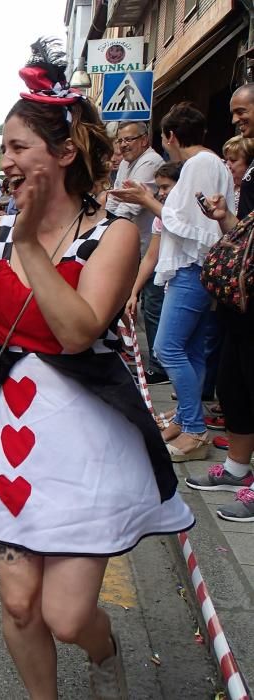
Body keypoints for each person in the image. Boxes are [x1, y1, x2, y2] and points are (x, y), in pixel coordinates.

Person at [0, 39, 193, 698]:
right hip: (6, 434)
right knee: (20, 606)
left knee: (67, 615)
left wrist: (24, 247)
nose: (6, 160)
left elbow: (78, 331)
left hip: (82, 438)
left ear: (64, 152)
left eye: (19, 146)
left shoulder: (115, 233)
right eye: (5, 149)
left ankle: (105, 662)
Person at [112, 103, 234, 461]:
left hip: (192, 268)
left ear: (170, 137)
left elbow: (187, 223)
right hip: (194, 268)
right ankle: (186, 419)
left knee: (167, 349)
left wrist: (145, 199)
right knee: (191, 351)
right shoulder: (211, 163)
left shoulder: (200, 164)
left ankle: (194, 429)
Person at [186, 84, 254, 520]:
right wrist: (224, 219)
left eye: (242, 110)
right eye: (233, 112)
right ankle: (236, 468)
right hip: (241, 302)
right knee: (234, 385)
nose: (235, 119)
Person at [105, 121, 166, 384]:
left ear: (145, 139)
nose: (124, 144)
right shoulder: (129, 163)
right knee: (123, 300)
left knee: (151, 305)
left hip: (148, 245)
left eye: (129, 139)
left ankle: (157, 364)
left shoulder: (150, 162)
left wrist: (106, 231)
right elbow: (115, 197)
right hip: (132, 245)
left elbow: (130, 205)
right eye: (120, 140)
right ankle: (130, 351)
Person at [120, 162, 181, 387]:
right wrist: (133, 292)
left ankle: (188, 415)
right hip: (167, 283)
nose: (162, 193)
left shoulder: (182, 213)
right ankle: (185, 413)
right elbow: (151, 257)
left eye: (166, 187)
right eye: (159, 189)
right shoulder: (159, 218)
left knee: (171, 348)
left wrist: (147, 200)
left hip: (187, 284)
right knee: (170, 346)